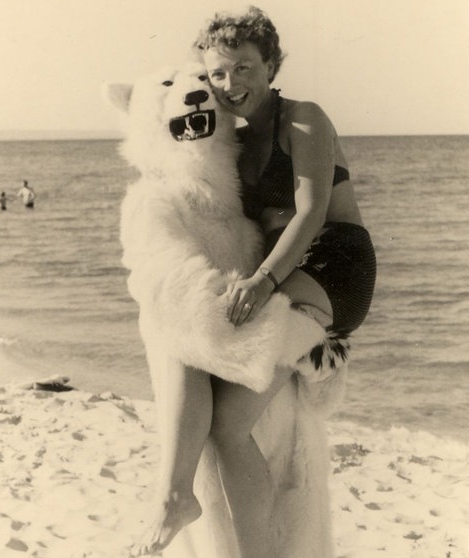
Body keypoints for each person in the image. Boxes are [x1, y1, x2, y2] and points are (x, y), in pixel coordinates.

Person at [129, 7, 376, 558]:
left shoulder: (304, 117)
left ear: (271, 65)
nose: (230, 84)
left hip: (335, 260)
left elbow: (311, 212)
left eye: (244, 68)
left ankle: (321, 348)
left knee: (227, 405)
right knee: (226, 427)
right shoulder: (233, 141)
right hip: (286, 271)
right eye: (218, 73)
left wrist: (262, 284)